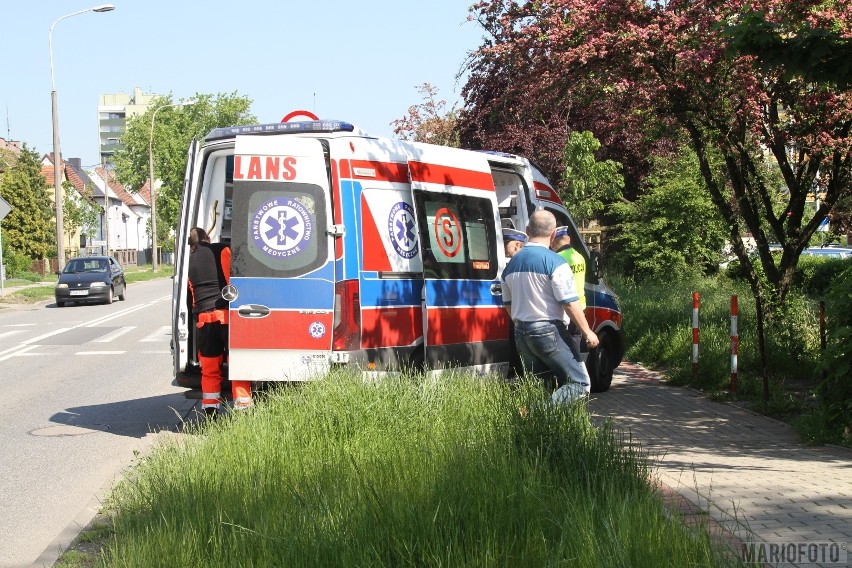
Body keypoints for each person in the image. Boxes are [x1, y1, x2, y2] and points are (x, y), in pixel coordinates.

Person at [501, 210, 599, 403]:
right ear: (553, 234)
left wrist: (522, 322)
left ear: (528, 230)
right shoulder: (555, 262)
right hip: (549, 330)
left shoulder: (511, 265)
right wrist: (587, 331)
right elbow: (569, 302)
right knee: (579, 383)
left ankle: (537, 426)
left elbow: (507, 303)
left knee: (540, 386)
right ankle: (549, 416)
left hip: (521, 331)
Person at [187, 227, 253, 416]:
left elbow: (193, 294)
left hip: (203, 319)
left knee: (209, 367)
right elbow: (234, 280)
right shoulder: (221, 250)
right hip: (225, 316)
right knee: (237, 362)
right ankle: (243, 407)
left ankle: (210, 410)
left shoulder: (188, 260)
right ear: (208, 238)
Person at [550, 226, 587, 361]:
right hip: (580, 307)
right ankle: (577, 369)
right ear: (569, 240)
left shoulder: (556, 259)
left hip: (564, 309)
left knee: (562, 345)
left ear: (552, 241)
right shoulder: (579, 257)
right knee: (576, 341)